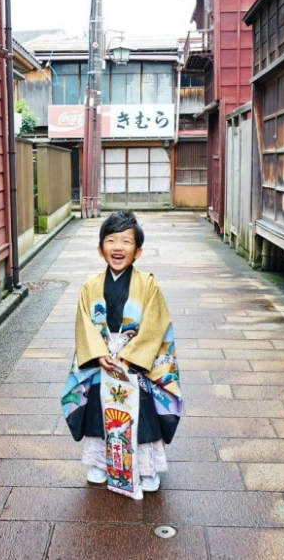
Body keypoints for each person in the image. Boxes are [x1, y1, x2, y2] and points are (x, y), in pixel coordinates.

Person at [60, 210, 182, 495]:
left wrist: (130, 355)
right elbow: (84, 322)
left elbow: (156, 323)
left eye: (126, 241)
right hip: (102, 360)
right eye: (111, 240)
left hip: (136, 363)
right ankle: (101, 464)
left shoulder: (147, 284)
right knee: (98, 412)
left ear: (137, 251)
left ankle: (147, 468)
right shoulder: (90, 285)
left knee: (143, 414)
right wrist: (98, 352)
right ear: (100, 249)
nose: (118, 247)